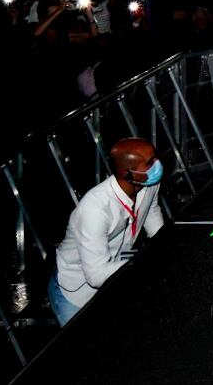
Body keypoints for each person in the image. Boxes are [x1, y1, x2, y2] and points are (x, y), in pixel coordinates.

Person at [50, 137, 167, 324]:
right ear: (127, 173)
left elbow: (150, 211)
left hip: (114, 275)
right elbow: (96, 275)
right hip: (77, 294)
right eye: (150, 163)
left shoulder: (148, 183)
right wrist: (143, 260)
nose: (157, 165)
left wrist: (164, 244)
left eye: (155, 158)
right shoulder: (94, 209)